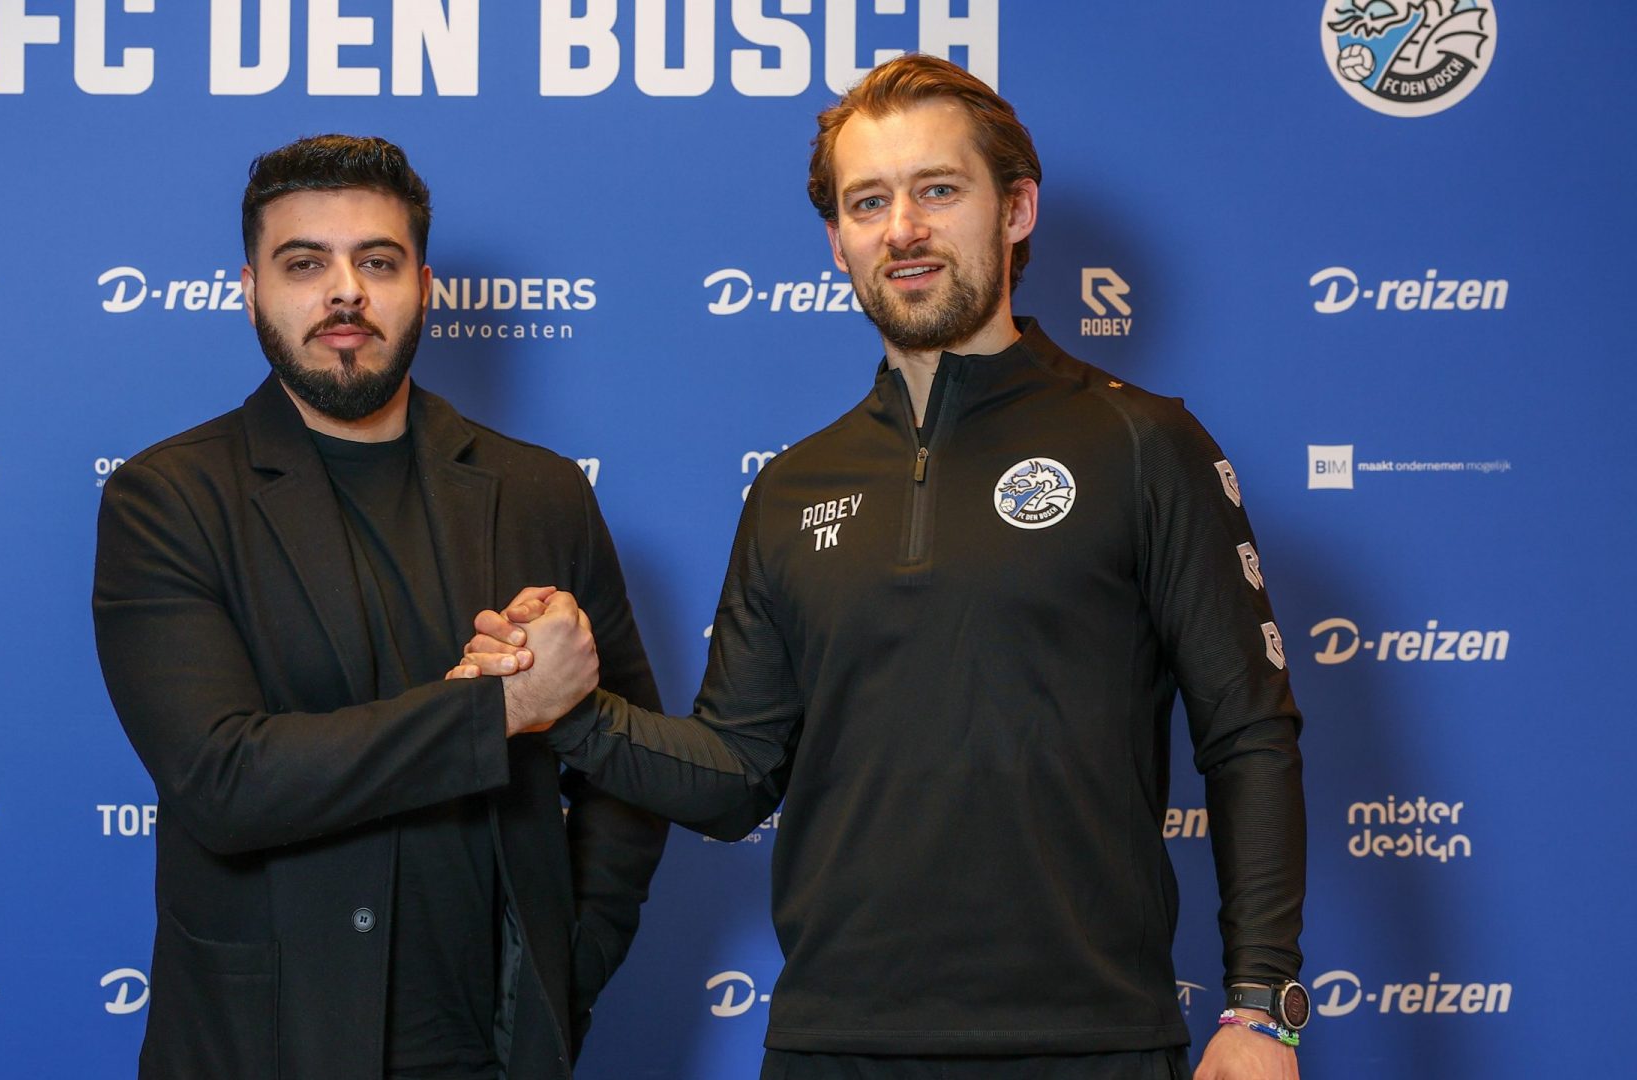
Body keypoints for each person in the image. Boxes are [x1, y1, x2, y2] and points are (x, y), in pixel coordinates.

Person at [457, 56, 1307, 1080]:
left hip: (1089, 1043)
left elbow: (1249, 735)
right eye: (868, 202)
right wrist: (571, 713)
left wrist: (1263, 1009)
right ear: (838, 241)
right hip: (831, 1046)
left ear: (1017, 209)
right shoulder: (792, 487)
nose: (902, 229)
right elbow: (735, 776)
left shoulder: (1143, 444)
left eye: (937, 190)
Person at [92, 134, 667, 1080]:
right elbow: (225, 782)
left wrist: (571, 962)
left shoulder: (542, 493)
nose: (345, 292)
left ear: (425, 287)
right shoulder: (170, 499)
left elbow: (631, 768)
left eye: (378, 262)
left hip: (491, 1049)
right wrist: (498, 709)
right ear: (250, 289)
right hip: (266, 1048)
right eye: (304, 263)